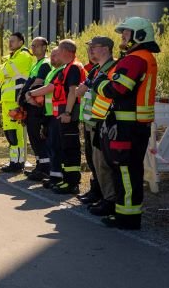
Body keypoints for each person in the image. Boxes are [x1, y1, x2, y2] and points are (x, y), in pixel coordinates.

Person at [89, 17, 159, 230]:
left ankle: (126, 218)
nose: (122, 37)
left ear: (138, 36)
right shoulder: (141, 57)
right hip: (132, 125)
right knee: (127, 170)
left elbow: (116, 89)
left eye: (126, 34)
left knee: (126, 171)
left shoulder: (135, 59)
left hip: (126, 127)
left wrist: (99, 81)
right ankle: (123, 212)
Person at [29, 41, 85, 194]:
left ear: (65, 51)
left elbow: (73, 91)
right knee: (63, 148)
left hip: (66, 114)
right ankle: (65, 180)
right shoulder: (67, 67)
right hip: (59, 113)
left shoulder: (73, 67)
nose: (55, 54)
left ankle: (71, 182)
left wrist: (67, 113)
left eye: (58, 51)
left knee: (69, 149)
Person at [77, 37, 118, 211]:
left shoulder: (114, 67)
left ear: (107, 49)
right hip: (92, 120)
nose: (91, 50)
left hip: (105, 122)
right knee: (95, 161)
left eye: (95, 47)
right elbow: (82, 90)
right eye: (90, 47)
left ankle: (109, 200)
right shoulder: (96, 69)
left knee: (103, 163)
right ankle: (102, 195)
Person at [0, 32, 35, 173]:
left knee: (16, 132)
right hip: (8, 99)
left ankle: (18, 163)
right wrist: (2, 70)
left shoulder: (24, 55)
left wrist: (3, 70)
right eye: (9, 41)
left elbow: (3, 72)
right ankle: (13, 160)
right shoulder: (12, 57)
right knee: (9, 132)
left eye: (13, 41)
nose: (10, 43)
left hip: (15, 99)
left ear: (21, 42)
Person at [21, 38, 52, 180]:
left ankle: (45, 169)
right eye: (32, 45)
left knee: (38, 137)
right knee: (33, 137)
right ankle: (40, 166)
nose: (32, 48)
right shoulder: (36, 63)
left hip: (36, 106)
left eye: (36, 46)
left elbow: (38, 83)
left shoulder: (45, 64)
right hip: (30, 105)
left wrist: (27, 96)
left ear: (44, 47)